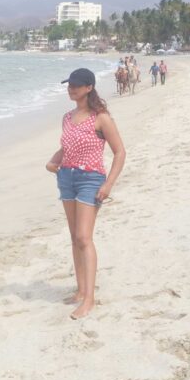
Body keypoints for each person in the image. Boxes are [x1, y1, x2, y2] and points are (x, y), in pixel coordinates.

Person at [45, 68, 126, 320]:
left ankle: (89, 299)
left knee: (84, 237)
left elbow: (120, 152)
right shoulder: (67, 117)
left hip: (91, 180)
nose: (72, 88)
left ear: (89, 87)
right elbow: (67, 145)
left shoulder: (100, 118)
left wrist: (108, 185)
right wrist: (53, 161)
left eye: (77, 85)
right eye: (70, 84)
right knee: (74, 237)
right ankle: (80, 291)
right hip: (67, 178)